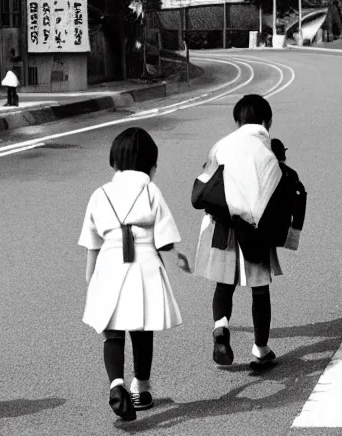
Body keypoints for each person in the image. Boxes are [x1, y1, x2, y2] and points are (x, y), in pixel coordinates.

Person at [79, 127, 189, 422]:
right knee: (142, 329)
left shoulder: (100, 194)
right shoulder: (151, 190)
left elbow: (92, 242)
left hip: (109, 263)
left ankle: (117, 384)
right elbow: (164, 238)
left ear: (114, 162)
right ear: (149, 166)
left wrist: (91, 278)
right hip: (144, 264)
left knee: (111, 331)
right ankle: (140, 387)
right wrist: (177, 257)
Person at [192, 94, 295, 371]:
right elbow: (276, 196)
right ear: (267, 121)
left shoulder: (221, 145)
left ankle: (221, 326)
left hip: (223, 228)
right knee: (260, 291)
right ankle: (261, 350)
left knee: (223, 285)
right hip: (255, 230)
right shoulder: (267, 153)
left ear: (237, 121)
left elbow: (206, 182)